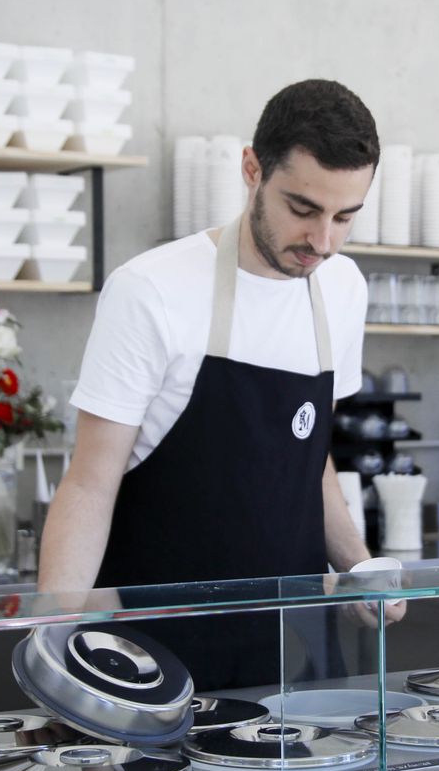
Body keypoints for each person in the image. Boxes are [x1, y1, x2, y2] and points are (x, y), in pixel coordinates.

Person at [37, 78, 406, 690]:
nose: (323, 242)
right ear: (252, 169)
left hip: (294, 657)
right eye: (303, 209)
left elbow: (306, 464)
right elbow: (89, 483)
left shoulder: (343, 289)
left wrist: (361, 567)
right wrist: (52, 641)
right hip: (152, 658)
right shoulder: (152, 290)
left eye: (345, 217)